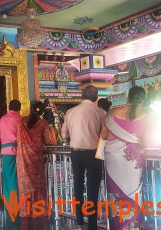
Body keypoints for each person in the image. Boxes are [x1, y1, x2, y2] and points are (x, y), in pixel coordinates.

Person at [100, 86, 153, 230]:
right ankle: (133, 226)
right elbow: (147, 143)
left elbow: (104, 136)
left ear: (128, 97)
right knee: (135, 192)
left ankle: (117, 226)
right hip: (133, 162)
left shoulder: (111, 114)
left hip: (112, 161)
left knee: (115, 193)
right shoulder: (147, 116)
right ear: (142, 99)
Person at [61, 85, 106, 230]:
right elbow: (104, 135)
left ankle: (79, 223)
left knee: (78, 186)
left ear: (82, 95)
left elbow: (64, 134)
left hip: (76, 153)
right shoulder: (101, 112)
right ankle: (92, 226)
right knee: (93, 190)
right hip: (94, 154)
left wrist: (70, 138)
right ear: (96, 97)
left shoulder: (70, 112)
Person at [16, 101, 53, 218]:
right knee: (37, 184)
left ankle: (25, 211)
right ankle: (38, 210)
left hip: (22, 158)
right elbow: (47, 141)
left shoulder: (21, 121)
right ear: (42, 112)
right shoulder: (43, 123)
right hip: (36, 158)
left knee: (25, 184)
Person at [0, 100, 22, 204]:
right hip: (19, 151)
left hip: (6, 151)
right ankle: (18, 199)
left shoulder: (2, 119)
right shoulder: (20, 119)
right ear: (19, 109)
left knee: (8, 176)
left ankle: (9, 199)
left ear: (9, 107)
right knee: (19, 176)